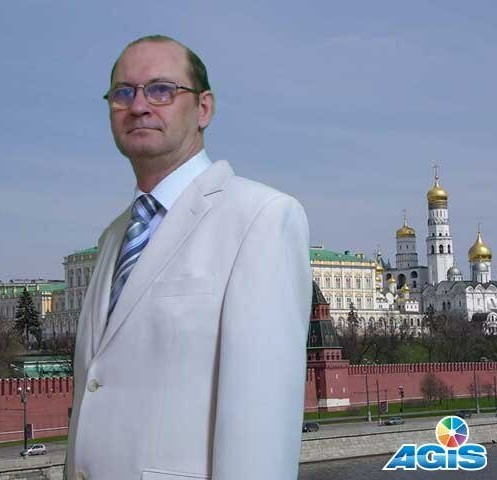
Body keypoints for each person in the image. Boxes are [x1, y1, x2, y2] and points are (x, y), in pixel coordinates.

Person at [65, 35, 312, 480]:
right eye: (123, 92)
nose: (138, 106)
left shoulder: (260, 218)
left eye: (161, 90)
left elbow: (259, 426)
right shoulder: (112, 238)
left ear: (204, 109)